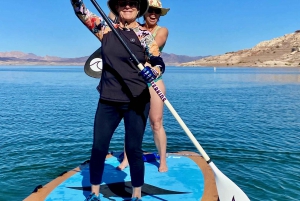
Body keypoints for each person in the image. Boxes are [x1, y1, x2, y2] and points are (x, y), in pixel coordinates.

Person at [70, 0, 166, 201]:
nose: (127, 6)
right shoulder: (105, 30)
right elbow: (81, 11)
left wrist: (155, 70)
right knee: (98, 147)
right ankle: (94, 194)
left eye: (132, 3)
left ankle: (136, 196)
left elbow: (158, 60)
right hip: (108, 100)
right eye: (122, 3)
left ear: (138, 9)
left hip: (137, 100)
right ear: (116, 8)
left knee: (133, 149)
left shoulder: (144, 35)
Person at [117, 0, 170, 173]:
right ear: (144, 12)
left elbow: (153, 44)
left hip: (154, 80)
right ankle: (126, 158)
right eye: (150, 11)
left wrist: (134, 32)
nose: (153, 14)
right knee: (131, 123)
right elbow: (115, 18)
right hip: (135, 80)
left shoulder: (162, 31)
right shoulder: (132, 26)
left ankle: (162, 161)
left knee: (156, 122)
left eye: (157, 12)